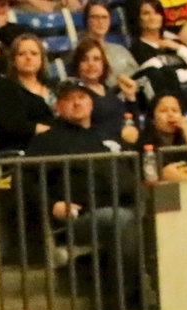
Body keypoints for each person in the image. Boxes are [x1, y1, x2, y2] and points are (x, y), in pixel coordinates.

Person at [25, 78, 142, 296]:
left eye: (81, 97)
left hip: (130, 203)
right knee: (123, 220)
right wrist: (52, 205)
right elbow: (24, 181)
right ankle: (125, 303)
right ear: (58, 107)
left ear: (91, 103)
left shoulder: (107, 135)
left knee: (166, 212)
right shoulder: (47, 141)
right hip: (83, 217)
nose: (76, 103)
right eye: (69, 99)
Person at [0, 32, 53, 151]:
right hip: (26, 149)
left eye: (34, 54)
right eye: (22, 54)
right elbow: (9, 124)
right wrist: (40, 129)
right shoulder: (5, 88)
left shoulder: (53, 86)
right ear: (13, 60)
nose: (28, 58)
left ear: (42, 59)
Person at [70, 38, 140, 144]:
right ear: (78, 65)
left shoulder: (109, 91)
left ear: (103, 63)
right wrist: (120, 133)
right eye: (84, 59)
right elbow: (82, 131)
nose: (91, 64)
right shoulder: (76, 95)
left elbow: (132, 121)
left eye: (96, 59)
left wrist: (131, 98)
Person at [140, 90, 187, 177]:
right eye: (163, 111)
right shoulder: (146, 145)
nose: (170, 115)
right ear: (152, 119)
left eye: (175, 111)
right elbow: (167, 174)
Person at [80, 3, 138, 84]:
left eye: (104, 17)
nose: (100, 22)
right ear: (87, 21)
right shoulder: (81, 51)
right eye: (95, 17)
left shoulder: (120, 49)